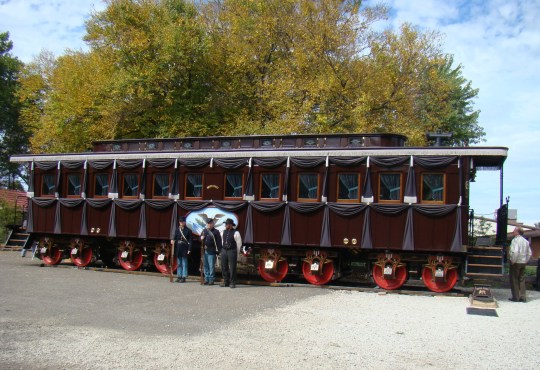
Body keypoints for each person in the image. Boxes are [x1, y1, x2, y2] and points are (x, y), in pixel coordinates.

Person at [508, 226, 532, 302]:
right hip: (523, 262)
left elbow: (515, 252)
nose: (513, 231)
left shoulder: (515, 240)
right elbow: (529, 253)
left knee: (514, 279)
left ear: (518, 232)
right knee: (521, 279)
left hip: (516, 262)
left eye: (514, 230)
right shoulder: (526, 241)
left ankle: (516, 297)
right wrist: (526, 260)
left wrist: (513, 260)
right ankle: (523, 297)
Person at [220, 218, 242, 288]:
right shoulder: (223, 232)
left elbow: (239, 244)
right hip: (224, 250)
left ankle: (232, 282)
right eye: (225, 224)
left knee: (232, 267)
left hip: (232, 251)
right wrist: (222, 250)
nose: (225, 225)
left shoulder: (236, 233)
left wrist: (236, 253)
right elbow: (222, 241)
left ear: (230, 225)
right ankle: (226, 281)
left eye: (226, 224)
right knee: (224, 266)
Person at [200, 218, 222, 285]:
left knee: (211, 266)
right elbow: (200, 239)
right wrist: (201, 238)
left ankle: (211, 279)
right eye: (208, 223)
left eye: (210, 223)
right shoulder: (204, 231)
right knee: (205, 265)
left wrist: (218, 251)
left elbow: (219, 242)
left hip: (212, 250)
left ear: (213, 224)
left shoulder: (216, 232)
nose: (209, 225)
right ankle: (206, 279)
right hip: (205, 250)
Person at [171, 216, 192, 283]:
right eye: (180, 222)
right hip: (178, 248)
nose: (181, 223)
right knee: (179, 263)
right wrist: (172, 240)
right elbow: (175, 237)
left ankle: (184, 276)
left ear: (184, 222)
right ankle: (179, 276)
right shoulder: (177, 230)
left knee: (184, 263)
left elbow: (190, 241)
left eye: (182, 222)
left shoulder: (188, 230)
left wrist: (189, 249)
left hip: (184, 248)